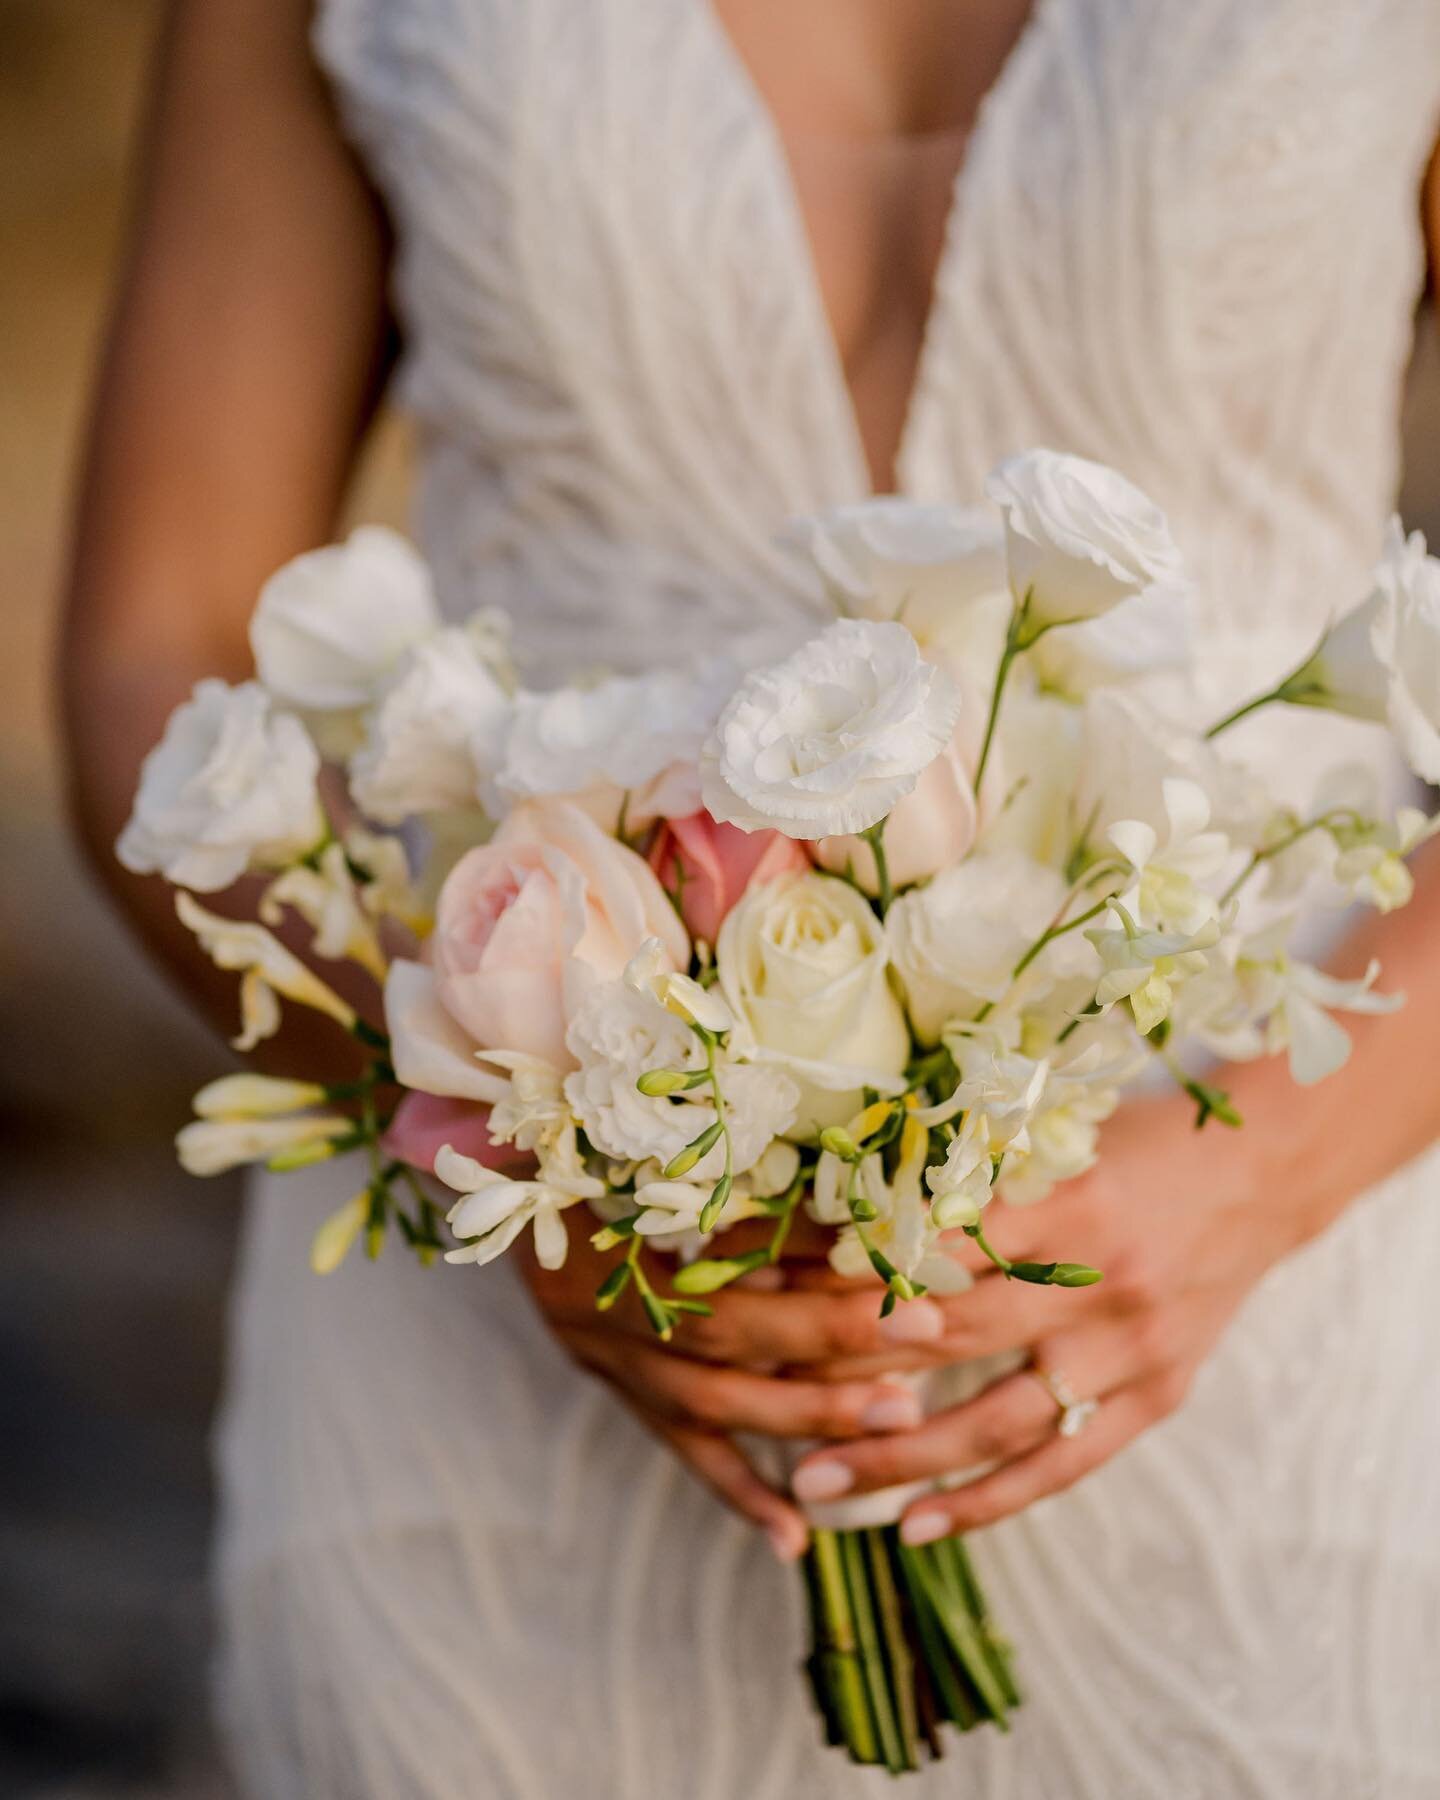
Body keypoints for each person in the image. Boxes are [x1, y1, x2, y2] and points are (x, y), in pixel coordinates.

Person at [62, 1, 1440, 1794]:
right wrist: (489, 1132)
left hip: (1283, 1340)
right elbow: (161, 634)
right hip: (506, 1384)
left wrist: (1254, 1173)